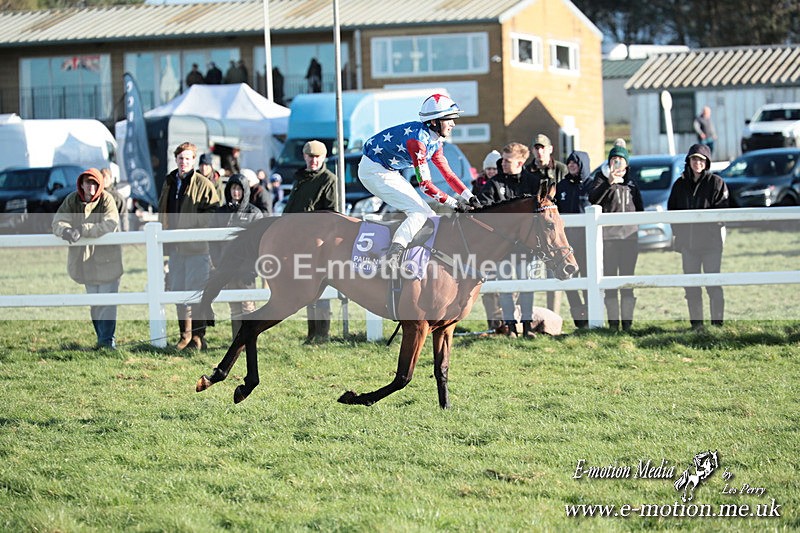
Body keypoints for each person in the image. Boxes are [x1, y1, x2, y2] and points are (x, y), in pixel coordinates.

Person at [359, 94, 479, 270]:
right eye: (449, 119)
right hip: (373, 171)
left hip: (387, 170)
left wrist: (470, 197)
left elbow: (449, 175)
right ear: (434, 122)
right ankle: (391, 257)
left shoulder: (435, 141)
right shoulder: (418, 141)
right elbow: (425, 186)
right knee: (418, 213)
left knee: (428, 215)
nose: (453, 123)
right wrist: (455, 204)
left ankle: (405, 252)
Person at [157, 142, 220, 350]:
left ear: (194, 160)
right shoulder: (169, 182)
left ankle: (198, 337)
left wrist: (191, 226)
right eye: (180, 158)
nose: (183, 162)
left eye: (187, 158)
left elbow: (213, 212)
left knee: (197, 294)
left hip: (196, 248)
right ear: (176, 160)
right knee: (178, 292)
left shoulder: (203, 184)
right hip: (175, 248)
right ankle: (184, 336)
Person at [52, 168, 123, 349]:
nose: (90, 186)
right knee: (94, 303)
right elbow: (58, 220)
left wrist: (83, 229)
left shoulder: (107, 199)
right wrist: (66, 230)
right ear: (81, 184)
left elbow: (110, 223)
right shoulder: (72, 199)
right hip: (84, 261)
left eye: (94, 183)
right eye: (87, 182)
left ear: (99, 184)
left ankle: (107, 342)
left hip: (108, 261)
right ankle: (102, 340)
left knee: (107, 303)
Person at [476, 142, 539, 337]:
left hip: (526, 248)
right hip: (502, 249)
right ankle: (511, 327)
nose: (502, 164)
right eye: (502, 160)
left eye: (507, 160)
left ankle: (527, 326)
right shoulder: (495, 183)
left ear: (520, 162)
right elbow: (482, 206)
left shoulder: (533, 182)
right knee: (505, 288)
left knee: (527, 285)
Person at [667, 143, 729, 329]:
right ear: (689, 161)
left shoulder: (716, 183)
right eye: (694, 158)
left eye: (701, 159)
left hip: (711, 245)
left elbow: (723, 212)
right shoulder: (679, 184)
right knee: (691, 285)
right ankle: (696, 325)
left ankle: (717, 325)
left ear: (707, 162)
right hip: (688, 245)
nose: (697, 163)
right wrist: (681, 236)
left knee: (713, 284)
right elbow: (672, 212)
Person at [284, 140, 339, 342]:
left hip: (317, 244)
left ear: (323, 158)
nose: (313, 160)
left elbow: (331, 213)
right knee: (307, 288)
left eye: (317, 157)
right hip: (297, 242)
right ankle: (311, 332)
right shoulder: (300, 178)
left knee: (319, 286)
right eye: (310, 156)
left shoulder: (328, 179)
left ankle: (322, 333)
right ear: (305, 157)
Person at [588, 145, 643, 331]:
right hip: (608, 240)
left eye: (621, 160)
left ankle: (627, 325)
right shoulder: (600, 180)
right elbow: (593, 200)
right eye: (614, 160)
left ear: (627, 164)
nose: (617, 163)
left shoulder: (632, 184)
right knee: (609, 281)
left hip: (629, 239)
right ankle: (613, 324)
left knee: (627, 281)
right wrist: (608, 183)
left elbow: (640, 210)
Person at [210, 173, 263, 340]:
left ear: (245, 191)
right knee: (234, 307)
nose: (236, 192)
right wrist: (218, 263)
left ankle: (249, 341)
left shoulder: (254, 213)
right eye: (233, 188)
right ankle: (236, 341)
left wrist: (253, 266)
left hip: (247, 269)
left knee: (248, 306)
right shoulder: (221, 213)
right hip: (228, 268)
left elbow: (259, 243)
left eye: (239, 189)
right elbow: (213, 241)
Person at [527, 133, 569, 313]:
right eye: (536, 148)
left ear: (550, 149)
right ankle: (529, 317)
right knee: (531, 273)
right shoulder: (528, 172)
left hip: (553, 228)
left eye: (543, 147)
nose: (539, 151)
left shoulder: (561, 169)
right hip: (534, 230)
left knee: (555, 272)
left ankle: (554, 315)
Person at [555, 150, 592, 328]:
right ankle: (579, 319)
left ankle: (592, 316)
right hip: (567, 243)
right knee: (569, 279)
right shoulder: (561, 186)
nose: (571, 165)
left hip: (587, 241)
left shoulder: (591, 185)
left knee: (588, 278)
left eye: (575, 163)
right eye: (569, 163)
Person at [472, 149, 502, 331]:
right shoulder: (477, 186)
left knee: (502, 283)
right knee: (487, 283)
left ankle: (504, 321)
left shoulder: (500, 185)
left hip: (499, 241)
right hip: (482, 243)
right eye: (488, 169)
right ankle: (492, 322)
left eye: (494, 168)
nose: (491, 171)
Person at [101, 167, 129, 232]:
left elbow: (124, 215)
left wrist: (125, 232)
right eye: (102, 177)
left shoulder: (117, 197)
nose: (104, 180)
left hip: (115, 232)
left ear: (111, 179)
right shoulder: (95, 196)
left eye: (106, 178)